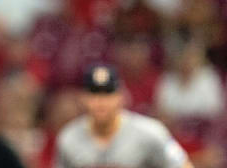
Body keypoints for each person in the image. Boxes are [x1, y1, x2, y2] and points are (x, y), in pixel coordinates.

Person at [55, 65, 194, 168]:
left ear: (121, 97)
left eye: (108, 94)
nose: (101, 102)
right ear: (83, 98)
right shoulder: (69, 137)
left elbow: (183, 165)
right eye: (94, 94)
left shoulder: (150, 132)